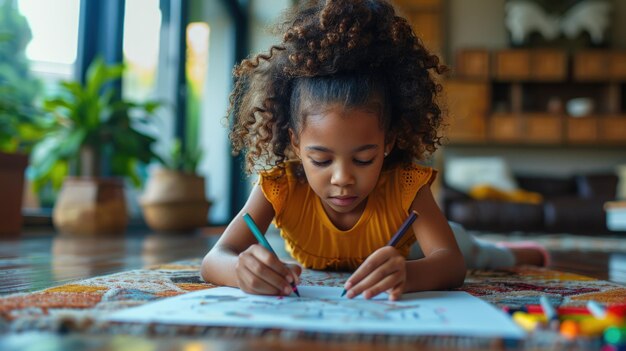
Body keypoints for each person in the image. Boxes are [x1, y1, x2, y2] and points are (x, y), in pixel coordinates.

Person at [201, 0, 548, 301]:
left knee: (472, 250)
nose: (342, 179)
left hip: (409, 252)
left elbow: (451, 263)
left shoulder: (406, 185)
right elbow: (215, 258)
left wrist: (408, 274)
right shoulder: (279, 187)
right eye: (320, 159)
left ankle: (510, 252)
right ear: (295, 143)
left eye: (363, 158)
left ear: (389, 142)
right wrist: (240, 270)